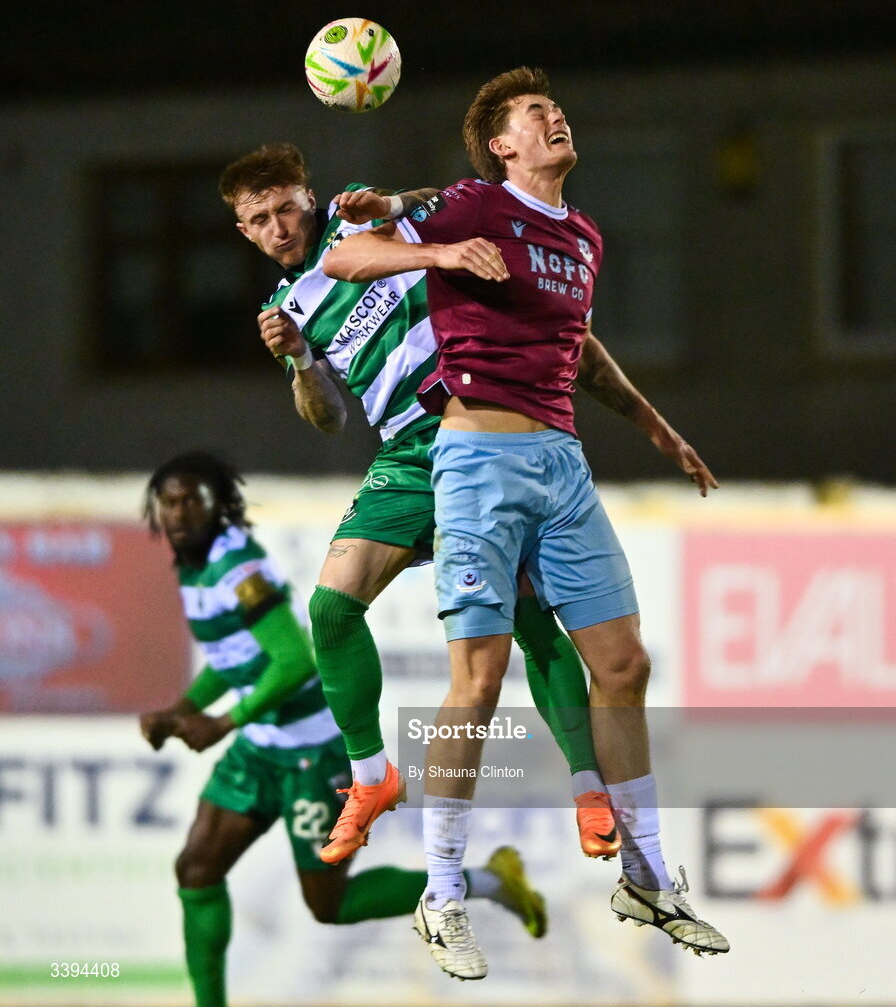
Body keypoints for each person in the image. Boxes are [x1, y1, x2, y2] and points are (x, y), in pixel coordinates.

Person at [322, 67, 730, 980]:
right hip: (475, 462)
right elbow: (345, 258)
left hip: (562, 464)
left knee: (623, 665)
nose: (555, 118)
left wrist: (656, 425)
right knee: (480, 679)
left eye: (557, 109)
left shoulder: (581, 235)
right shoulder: (473, 204)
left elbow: (577, 346)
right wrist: (438, 255)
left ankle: (649, 872)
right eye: (534, 114)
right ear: (502, 145)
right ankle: (442, 894)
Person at [216, 143, 623, 875]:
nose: (278, 226)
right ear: (244, 232)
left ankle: (591, 789)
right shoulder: (284, 310)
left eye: (285, 207)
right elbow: (327, 418)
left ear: (308, 197)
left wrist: (405, 212)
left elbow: (444, 200)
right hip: (406, 455)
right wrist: (303, 359)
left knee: (530, 617)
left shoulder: (356, 217)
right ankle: (373, 779)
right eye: (259, 220)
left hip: (478, 427)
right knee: (331, 609)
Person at [138, 451, 547, 1007]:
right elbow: (237, 656)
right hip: (261, 750)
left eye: (193, 500)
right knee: (196, 869)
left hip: (311, 755)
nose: (180, 512)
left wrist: (222, 721)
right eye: (170, 501)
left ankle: (494, 881)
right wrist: (183, 706)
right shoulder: (192, 565)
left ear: (220, 508)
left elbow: (295, 661)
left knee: (328, 906)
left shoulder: (239, 570)